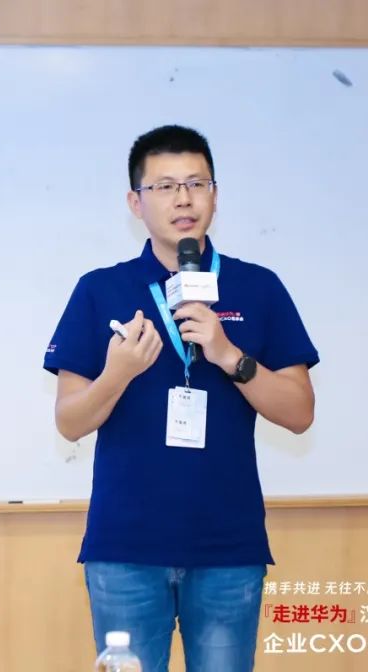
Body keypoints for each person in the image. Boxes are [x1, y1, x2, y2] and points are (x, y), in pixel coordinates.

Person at [42, 124, 318, 672]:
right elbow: (70, 422)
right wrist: (118, 373)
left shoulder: (258, 287)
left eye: (196, 183)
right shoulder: (100, 289)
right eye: (165, 186)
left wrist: (230, 355)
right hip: (125, 546)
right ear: (135, 203)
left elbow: (300, 413)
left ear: (215, 195)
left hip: (227, 546)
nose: (184, 199)